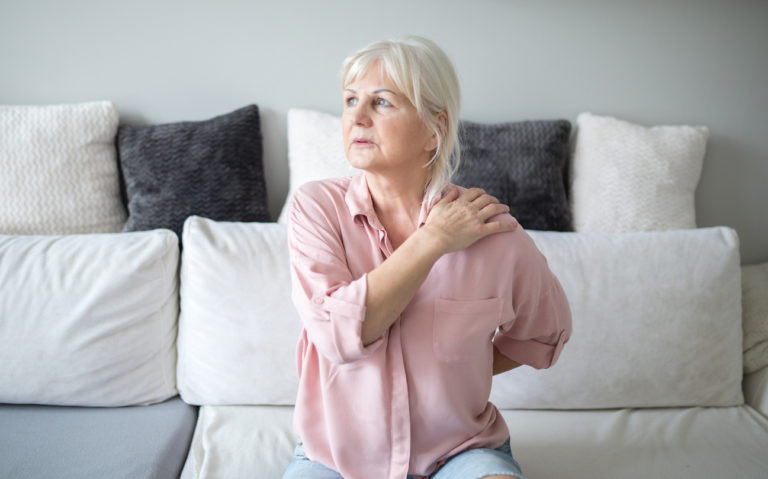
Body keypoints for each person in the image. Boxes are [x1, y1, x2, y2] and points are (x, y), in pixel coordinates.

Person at [282, 36, 572, 479]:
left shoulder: (490, 232)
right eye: (350, 100)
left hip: (460, 454)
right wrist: (433, 240)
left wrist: (458, 366)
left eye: (382, 102)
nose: (356, 117)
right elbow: (338, 336)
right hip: (336, 461)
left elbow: (546, 333)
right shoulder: (315, 208)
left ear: (433, 130)